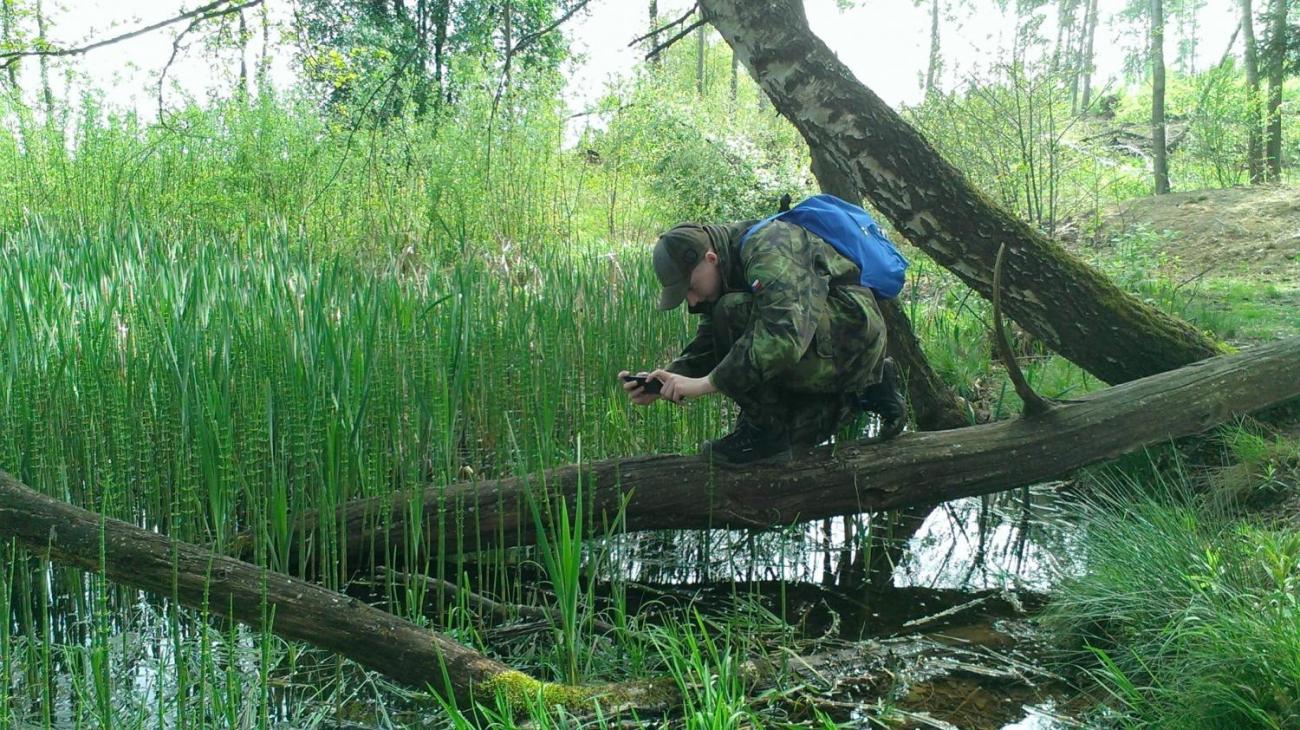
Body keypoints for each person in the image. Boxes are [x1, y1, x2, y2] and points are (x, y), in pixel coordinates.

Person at [619, 219, 907, 467]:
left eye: (691, 288)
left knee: (730, 310)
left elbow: (783, 338)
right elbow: (711, 342)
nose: (691, 301)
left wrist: (706, 384)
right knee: (799, 434)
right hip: (827, 340)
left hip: (851, 332)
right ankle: (867, 390)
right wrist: (667, 378)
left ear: (710, 258)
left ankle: (765, 431)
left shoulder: (769, 247)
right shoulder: (726, 264)